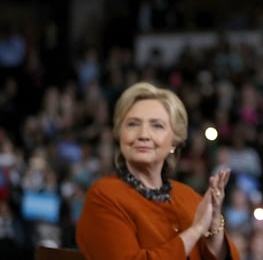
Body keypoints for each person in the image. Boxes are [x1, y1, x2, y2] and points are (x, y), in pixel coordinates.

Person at [76, 81, 240, 260]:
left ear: (174, 142)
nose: (143, 135)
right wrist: (195, 231)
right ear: (120, 134)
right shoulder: (104, 195)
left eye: (157, 126)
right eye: (132, 124)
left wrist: (214, 223)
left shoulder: (189, 197)